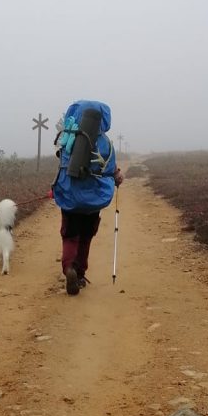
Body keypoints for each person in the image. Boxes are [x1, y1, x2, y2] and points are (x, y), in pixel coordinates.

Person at [51, 100, 123, 295]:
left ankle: (69, 269)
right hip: (93, 200)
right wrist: (117, 177)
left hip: (70, 197)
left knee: (70, 235)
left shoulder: (69, 137)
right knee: (86, 236)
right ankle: (80, 274)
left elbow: (62, 161)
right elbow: (110, 170)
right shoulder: (105, 143)